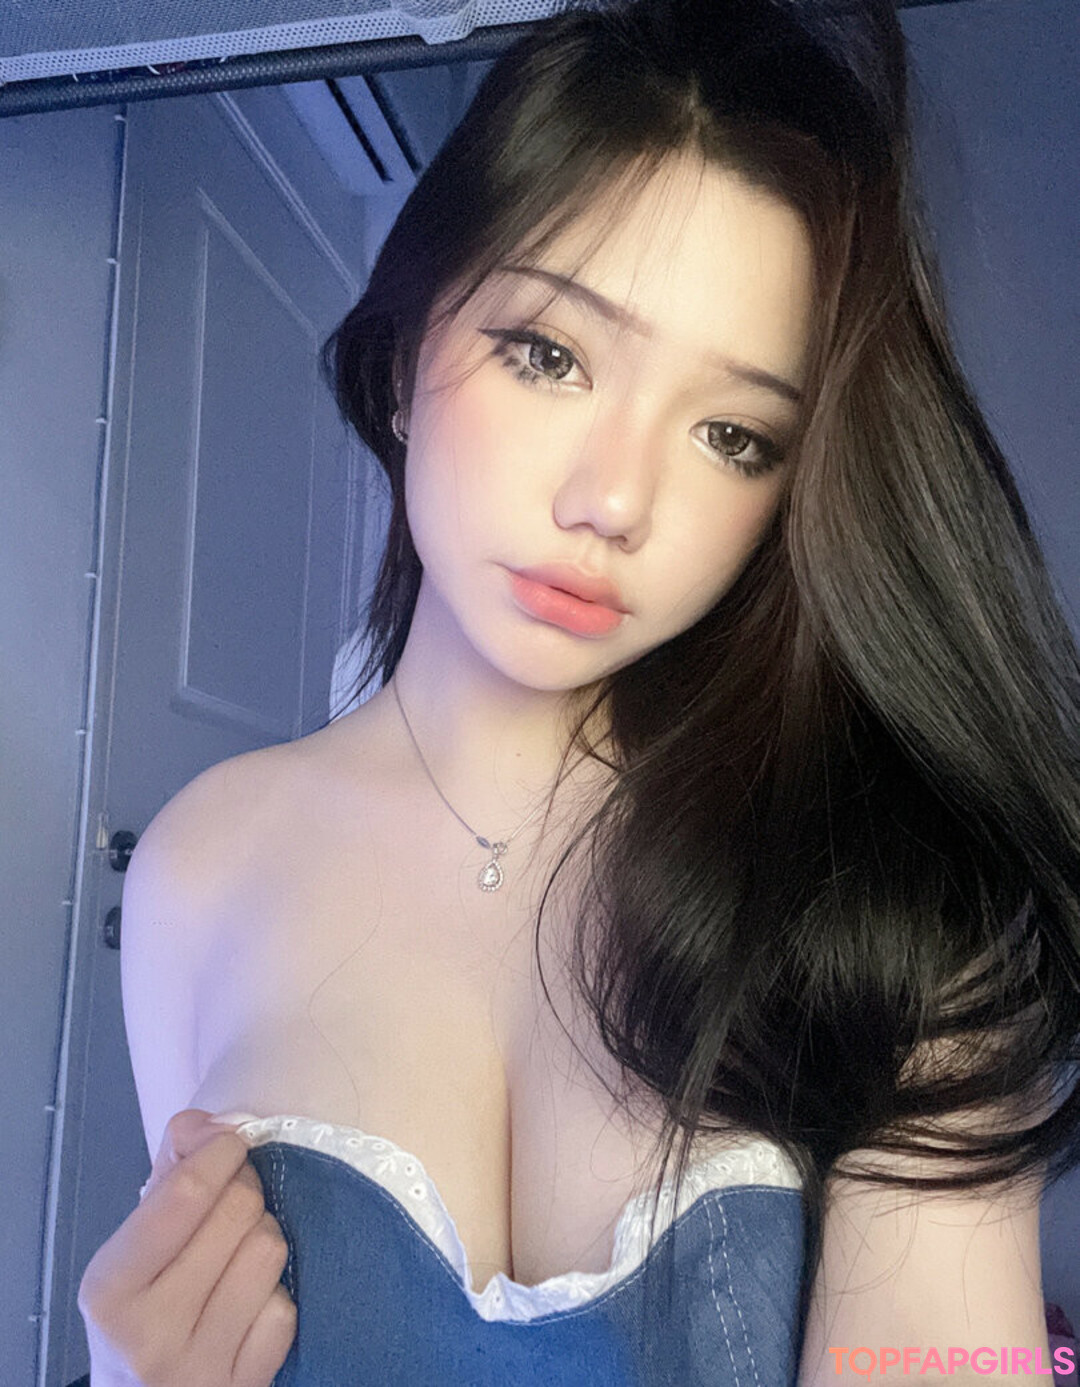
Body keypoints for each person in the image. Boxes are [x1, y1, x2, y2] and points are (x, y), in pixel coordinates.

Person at [78, 0, 1080, 1382]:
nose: (616, 500)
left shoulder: (885, 902)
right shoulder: (200, 866)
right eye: (549, 355)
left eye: (732, 435)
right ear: (402, 360)